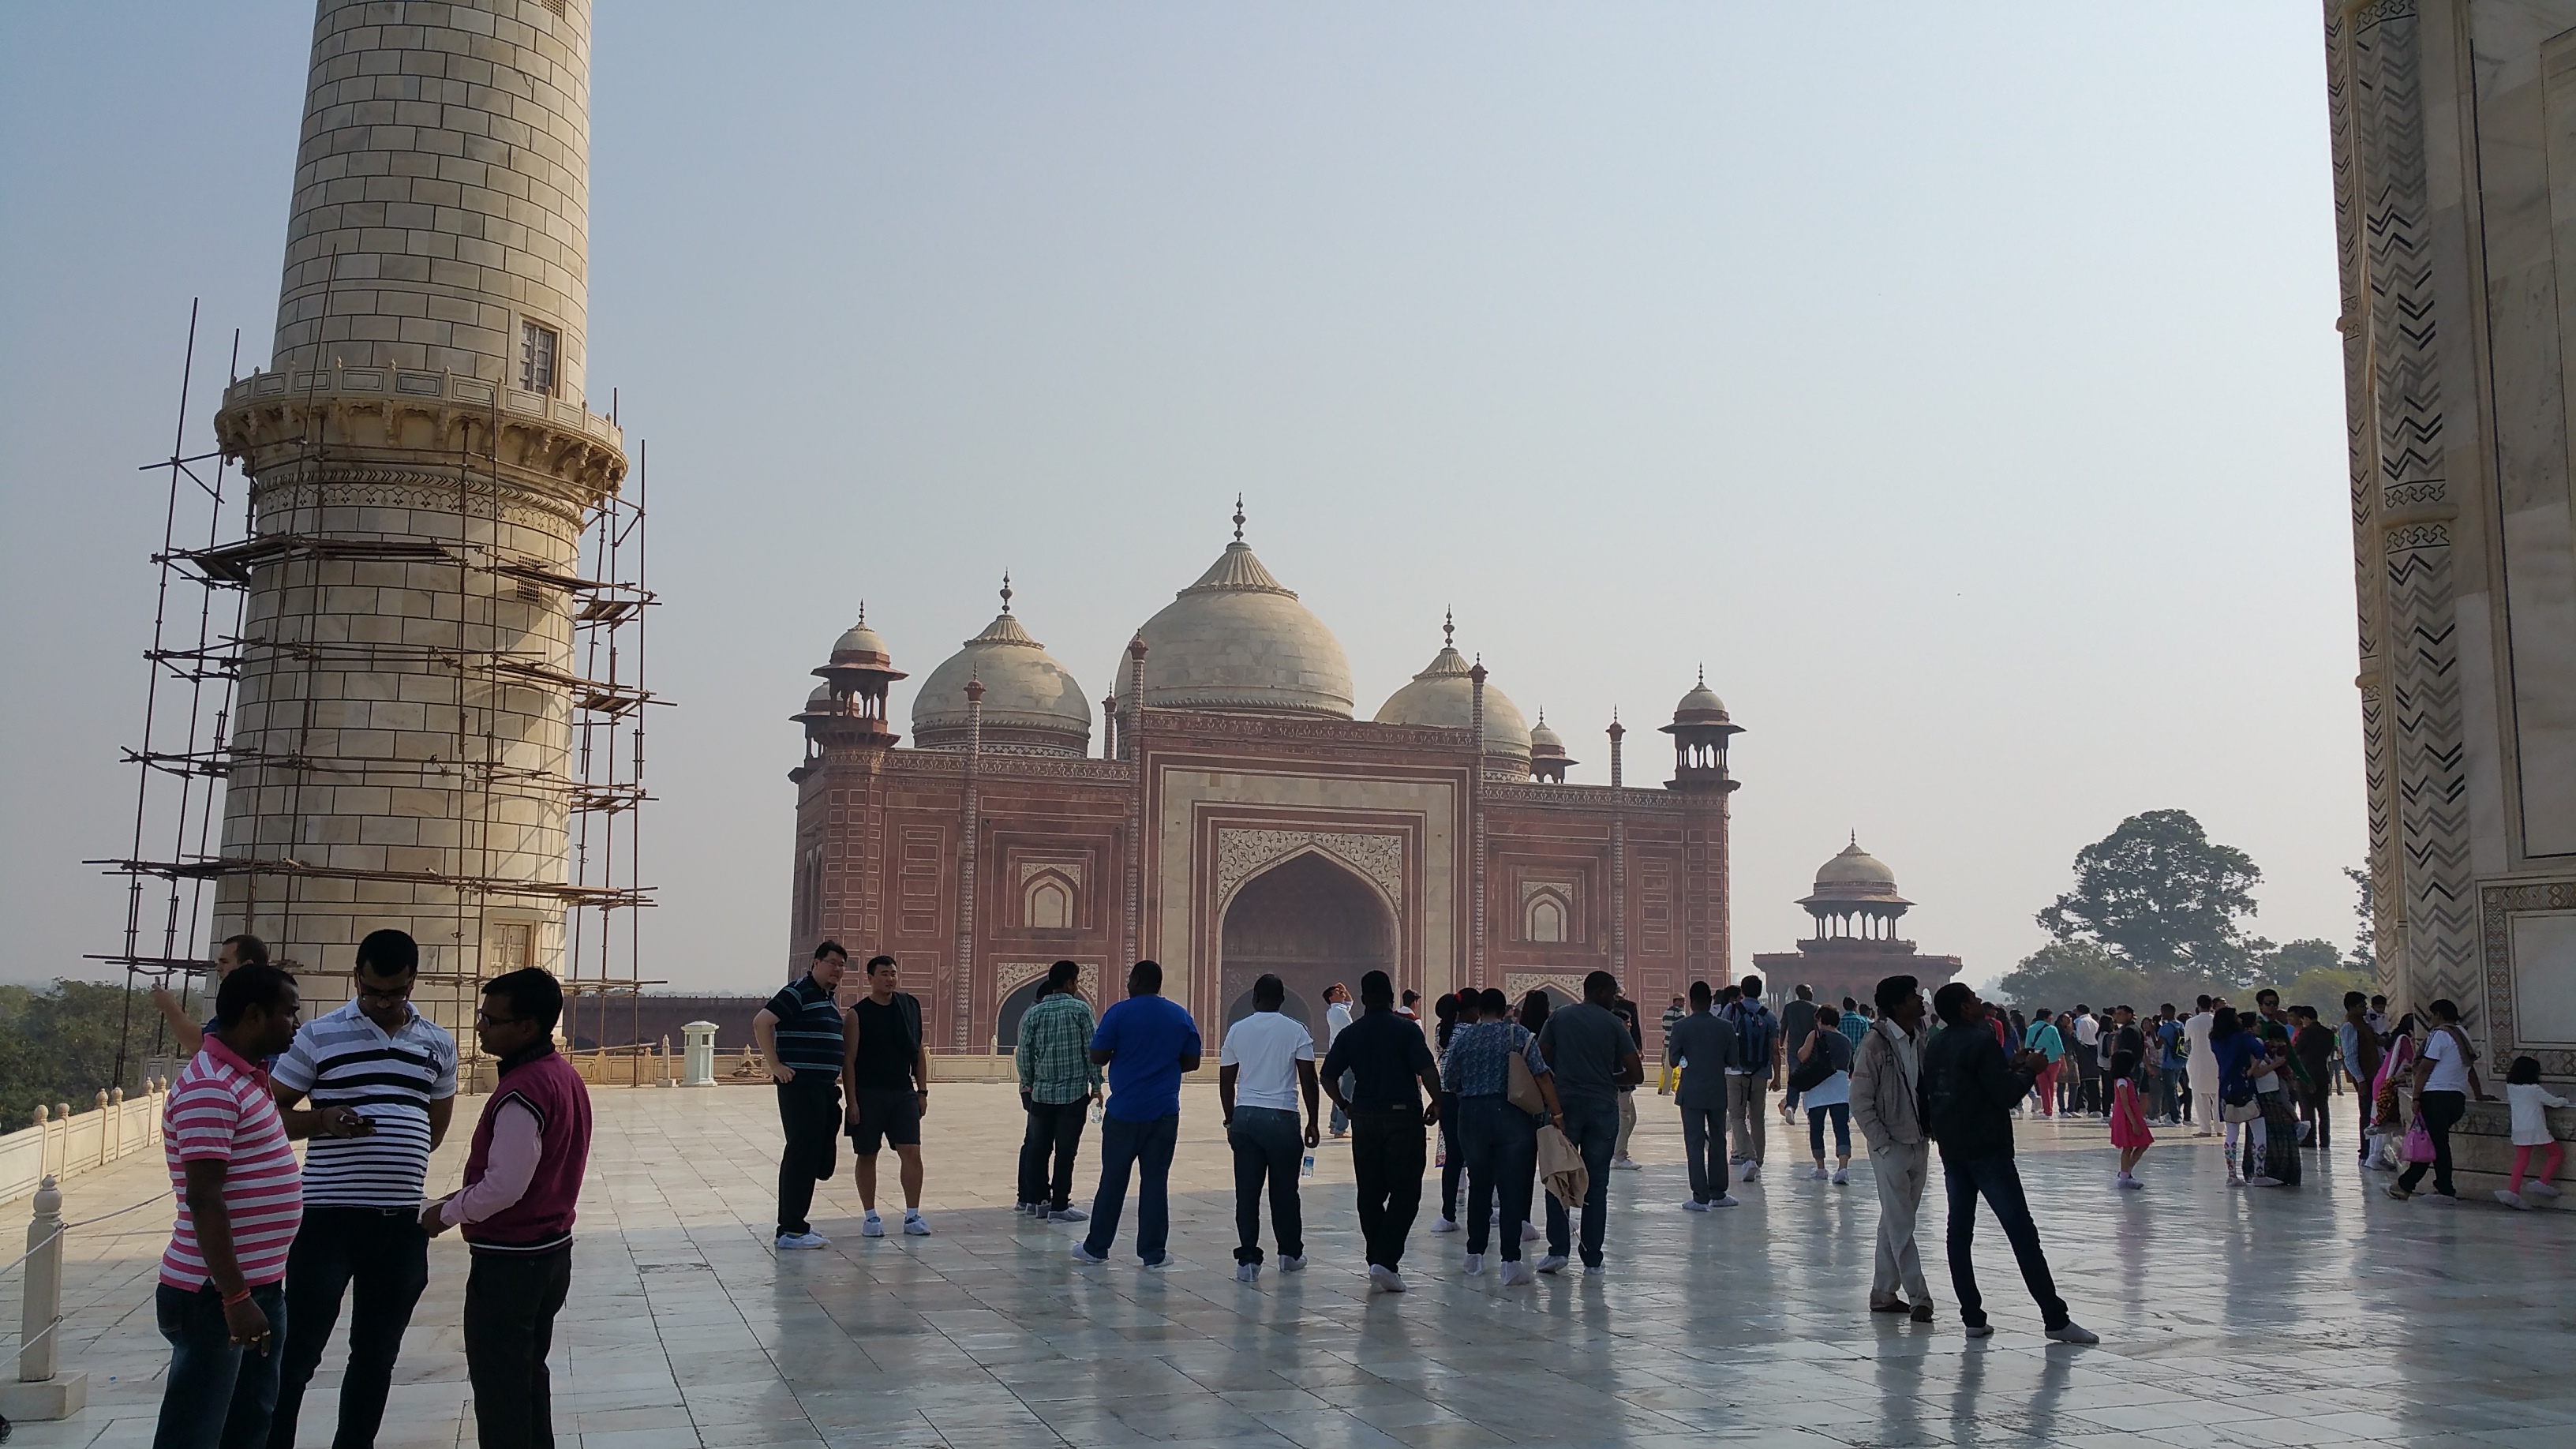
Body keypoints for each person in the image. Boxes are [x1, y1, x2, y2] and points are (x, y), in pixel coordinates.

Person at [154, 963, 364, 1449]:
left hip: (258, 1286)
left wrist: (323, 1121)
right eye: (289, 1014)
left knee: (249, 1424)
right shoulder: (211, 1087)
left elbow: (266, 1135)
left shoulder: (248, 1078)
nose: (297, 1024)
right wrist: (234, 1298)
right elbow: (205, 1200)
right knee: (196, 1431)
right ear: (253, 1015)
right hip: (214, 1295)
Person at [266, 930, 460, 1449]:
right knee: (300, 1351)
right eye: (372, 991)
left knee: (376, 1356)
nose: (381, 1002)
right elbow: (270, 1114)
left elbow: (435, 1125)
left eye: (393, 993)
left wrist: (401, 1144)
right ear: (357, 978)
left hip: (398, 1226)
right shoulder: (320, 1037)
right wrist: (324, 1121)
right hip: (328, 1221)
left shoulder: (438, 1043)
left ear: (412, 983)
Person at [421, 968, 593, 1449]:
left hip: (513, 1262)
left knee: (502, 1392)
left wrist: (446, 1213)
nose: (481, 1027)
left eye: (493, 1020)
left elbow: (505, 1187)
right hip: (551, 1253)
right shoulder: (562, 1075)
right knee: (528, 1379)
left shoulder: (524, 1091)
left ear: (527, 1027)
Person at [1920, 983, 2095, 1345]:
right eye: (1972, 999)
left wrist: (2012, 1066)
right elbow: (2004, 1094)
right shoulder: (1981, 1040)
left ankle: (1972, 1315)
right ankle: (2055, 1317)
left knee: (1959, 1232)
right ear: (1965, 1008)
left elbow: (1962, 1085)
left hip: (1954, 1148)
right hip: (1988, 1148)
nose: (1979, 1003)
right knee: (2021, 1232)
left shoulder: (1936, 1042)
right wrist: (2030, 1070)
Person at [1320, 970, 1443, 1292]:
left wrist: (1345, 1106)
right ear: (1391, 997)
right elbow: (1427, 1070)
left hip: (1364, 1119)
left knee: (1371, 1193)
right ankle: (1385, 1261)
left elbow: (1327, 1076)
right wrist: (1438, 1102)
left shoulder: (1352, 1033)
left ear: (1362, 999)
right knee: (1406, 1192)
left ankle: (1378, 1259)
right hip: (1403, 1117)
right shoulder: (1405, 1030)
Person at [1076, 960, 1202, 1267]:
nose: (1127, 985)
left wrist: (1127, 1053)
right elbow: (1192, 1062)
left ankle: (1097, 1247)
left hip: (1124, 1111)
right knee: (1155, 1182)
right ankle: (1153, 1254)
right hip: (1163, 1111)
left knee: (1114, 1180)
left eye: (1130, 979)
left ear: (1139, 981)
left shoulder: (1119, 1013)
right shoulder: (1179, 1015)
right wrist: (1163, 1062)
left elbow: (1097, 1055)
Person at [1444, 986, 1563, 1283]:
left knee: (1479, 1186)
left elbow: (1450, 1079)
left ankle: (1474, 1256)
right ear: (1503, 1009)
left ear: (1480, 1010)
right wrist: (1557, 1112)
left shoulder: (1465, 1038)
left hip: (1471, 1116)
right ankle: (1511, 1262)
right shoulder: (1518, 1035)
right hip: (1511, 1114)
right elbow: (1541, 1074)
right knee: (1511, 1189)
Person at [1532, 970, 1644, 1275]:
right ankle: (1592, 1257)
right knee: (1597, 1183)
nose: (1616, 998)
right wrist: (1610, 1078)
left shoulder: (1560, 1018)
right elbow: (1637, 1073)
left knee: (1559, 1178)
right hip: (1602, 1109)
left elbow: (1539, 1059)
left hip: (1565, 1108)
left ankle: (1558, 1251)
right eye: (1613, 993)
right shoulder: (1614, 1024)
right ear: (1600, 992)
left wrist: (1559, 1080)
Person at [1218, 974, 1320, 1282]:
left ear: (1254, 998)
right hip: (1282, 1115)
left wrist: (1230, 1118)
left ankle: (1248, 1261)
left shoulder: (1238, 1030)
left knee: (1247, 1192)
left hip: (1246, 1116)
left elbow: (1226, 1079)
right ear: (1283, 999)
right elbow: (1308, 1078)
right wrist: (1313, 1120)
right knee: (1285, 1191)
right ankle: (1289, 1254)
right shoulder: (1296, 1030)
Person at [754, 940, 848, 1250]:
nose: (837, 969)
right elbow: (762, 1022)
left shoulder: (826, 999)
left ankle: (796, 1225)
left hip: (822, 1088)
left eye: (841, 965)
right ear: (815, 963)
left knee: (816, 1157)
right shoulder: (798, 991)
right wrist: (775, 1065)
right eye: (832, 963)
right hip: (801, 1086)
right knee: (801, 1155)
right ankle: (791, 1229)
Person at [1850, 975, 1932, 1322]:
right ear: (1899, 1005)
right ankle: (1919, 1295)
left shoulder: (1920, 1038)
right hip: (1891, 1145)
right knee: (1901, 1223)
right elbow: (1859, 1100)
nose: (1921, 1000)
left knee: (1896, 1219)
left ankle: (1883, 1293)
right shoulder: (1875, 1044)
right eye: (1914, 996)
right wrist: (1881, 1142)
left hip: (1918, 1140)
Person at [841, 955, 931, 1238]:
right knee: (868, 1154)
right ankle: (870, 1217)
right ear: (870, 978)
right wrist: (852, 1102)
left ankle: (913, 1215)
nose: (890, 979)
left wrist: (922, 1091)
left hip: (902, 1091)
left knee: (912, 1152)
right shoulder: (857, 1015)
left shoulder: (908, 1007)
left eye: (893, 973)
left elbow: (918, 1050)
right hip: (869, 1094)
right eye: (884, 974)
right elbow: (849, 1061)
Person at [1014, 960, 1101, 1222]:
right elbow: (1092, 1052)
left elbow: (1024, 1055)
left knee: (1039, 1150)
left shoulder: (1034, 1013)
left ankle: (1040, 1201)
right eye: (1076, 981)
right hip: (1073, 1094)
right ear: (1069, 982)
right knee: (1066, 1152)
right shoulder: (1080, 1010)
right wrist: (1097, 1087)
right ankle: (1059, 1205)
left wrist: (1030, 1083)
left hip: (1041, 1094)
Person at [2389, 998, 2493, 1204]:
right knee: (2436, 1142)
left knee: (2436, 1144)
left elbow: (2426, 1068)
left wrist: (2417, 1096)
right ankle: (2411, 1185)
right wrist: (2478, 1093)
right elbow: (2469, 1068)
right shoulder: (2463, 1035)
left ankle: (2434, 1188)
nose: (2431, 1020)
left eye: (2432, 1015)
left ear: (2439, 1015)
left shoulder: (2440, 1035)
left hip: (2436, 1096)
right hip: (2456, 1098)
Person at [1665, 980, 1739, 1211]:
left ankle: (1699, 1197)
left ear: (1691, 1001)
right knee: (1718, 1140)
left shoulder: (1681, 1027)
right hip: (1717, 1090)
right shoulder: (1725, 1027)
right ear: (1710, 1001)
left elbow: (1673, 1060)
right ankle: (1719, 1193)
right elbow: (1733, 1060)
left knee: (1695, 1143)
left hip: (1690, 1092)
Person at [151, 934, 271, 1064]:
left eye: (225, 962)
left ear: (247, 966)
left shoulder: (249, 1004)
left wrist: (169, 1007)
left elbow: (201, 1044)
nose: (218, 968)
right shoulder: (260, 997)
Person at [1722, 976, 1779, 1181]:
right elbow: (1775, 1050)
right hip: (1761, 1073)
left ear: (1743, 991)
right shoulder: (1769, 1016)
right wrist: (1777, 1077)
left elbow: (1723, 1040)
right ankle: (1759, 1161)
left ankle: (1749, 1159)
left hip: (1736, 1072)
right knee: (1757, 1118)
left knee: (1737, 1117)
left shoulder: (1731, 1010)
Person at [1795, 1005, 1855, 1185]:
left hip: (1817, 1087)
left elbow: (1803, 1056)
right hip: (1841, 1087)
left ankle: (1821, 1168)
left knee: (1817, 1128)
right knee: (1841, 1127)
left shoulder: (1816, 1035)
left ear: (1820, 1020)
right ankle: (1842, 1169)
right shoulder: (1846, 1041)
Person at [2497, 1055, 2567, 1210]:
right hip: (2535, 1127)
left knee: (2522, 1160)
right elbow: (2554, 1102)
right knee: (2556, 1154)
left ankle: (2513, 1191)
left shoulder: (2511, 1088)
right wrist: (2564, 1100)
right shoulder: (2534, 1089)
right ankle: (2542, 1182)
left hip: (2519, 1127)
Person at [1430, 994, 1466, 1234]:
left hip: (1446, 1099)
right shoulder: (1469, 1031)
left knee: (1453, 1159)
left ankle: (1449, 1213)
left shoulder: (1440, 1031)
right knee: (1480, 1158)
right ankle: (1488, 1212)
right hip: (1469, 1098)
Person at [2339, 991, 2385, 1165]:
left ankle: (2370, 1151)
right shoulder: (2350, 1026)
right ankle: (2365, 1152)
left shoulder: (2363, 1024)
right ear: (2352, 1008)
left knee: (2372, 1114)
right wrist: (2360, 1080)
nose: (2365, 1008)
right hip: (2366, 1076)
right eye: (2361, 1006)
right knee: (2366, 1115)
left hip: (2373, 1074)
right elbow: (2350, 1056)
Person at [2290, 1007, 2336, 1151]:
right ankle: (2325, 1139)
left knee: (2307, 1108)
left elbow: (2297, 1050)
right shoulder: (2328, 1033)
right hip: (2323, 1073)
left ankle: (2309, 1138)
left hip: (2307, 1074)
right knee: (2323, 1109)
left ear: (2305, 1018)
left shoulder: (2306, 1033)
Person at [1609, 991, 1646, 1170]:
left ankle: (1617, 1152)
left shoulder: (1618, 1039)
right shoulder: (1618, 1042)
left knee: (1630, 1118)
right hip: (1621, 1086)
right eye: (1628, 1022)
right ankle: (1619, 1156)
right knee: (1625, 1117)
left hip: (1623, 1086)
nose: (1631, 1025)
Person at [2107, 1049, 2153, 1189]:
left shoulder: (2125, 1081)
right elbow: (2124, 1103)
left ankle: (2125, 1172)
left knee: (2140, 1144)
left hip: (2130, 1113)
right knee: (2129, 1146)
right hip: (2128, 1115)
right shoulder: (2122, 1082)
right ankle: (2125, 1174)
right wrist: (2134, 1123)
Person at [1777, 985, 1819, 1124]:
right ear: (1807, 993)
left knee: (1794, 1078)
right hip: (1810, 1048)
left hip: (1794, 1048)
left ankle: (1790, 1106)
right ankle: (1811, 1112)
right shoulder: (1814, 1008)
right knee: (1811, 1080)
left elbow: (1783, 1027)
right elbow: (1817, 1030)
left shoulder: (1789, 1007)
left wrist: (1781, 1044)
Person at [1322, 983, 1354, 1139]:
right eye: (1337, 991)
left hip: (1339, 1055)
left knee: (1340, 1090)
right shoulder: (1339, 1013)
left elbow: (1349, 1003)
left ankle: (1334, 1123)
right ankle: (1340, 1129)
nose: (1341, 992)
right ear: (1331, 997)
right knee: (1347, 1092)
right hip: (1347, 1056)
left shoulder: (1336, 1010)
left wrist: (1345, 990)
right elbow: (1352, 1033)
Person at [2184, 997, 2220, 1136]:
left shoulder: (2191, 1022)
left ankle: (2205, 1129)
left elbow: (2187, 1043)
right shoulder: (2217, 1020)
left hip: (2197, 1062)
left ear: (2198, 1006)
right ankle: (2220, 1128)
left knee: (2200, 1096)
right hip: (2216, 1061)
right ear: (2211, 1005)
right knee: (2217, 1096)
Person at [2020, 1009, 2063, 1118]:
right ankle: (2049, 1109)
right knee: (2051, 1085)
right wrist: (2063, 1061)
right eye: (2050, 1016)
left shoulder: (2031, 1028)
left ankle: (2047, 1110)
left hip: (2037, 1061)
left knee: (2043, 1085)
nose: (2052, 1018)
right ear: (2046, 1017)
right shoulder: (2052, 1029)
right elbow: (2059, 1046)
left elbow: (2027, 1046)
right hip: (2053, 1059)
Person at [2152, 1006, 2185, 1125]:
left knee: (2170, 1091)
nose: (2162, 1014)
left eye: (2163, 1012)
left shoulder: (2166, 1028)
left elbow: (2157, 1045)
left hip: (2168, 1063)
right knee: (2174, 1090)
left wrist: (2152, 1031)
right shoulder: (2180, 1025)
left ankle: (2175, 1117)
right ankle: (2175, 1114)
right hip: (2180, 1062)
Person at [1658, 994, 1687, 1095]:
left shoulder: (1667, 1012)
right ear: (1677, 1001)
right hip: (1676, 1043)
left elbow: (1664, 1026)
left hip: (1667, 1041)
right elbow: (1683, 1028)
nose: (1684, 1003)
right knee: (1683, 1065)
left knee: (1667, 1068)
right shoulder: (1680, 1013)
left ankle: (1666, 1090)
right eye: (1682, 1000)